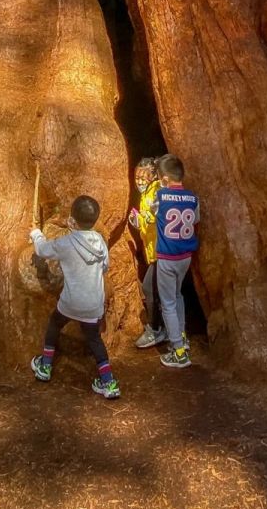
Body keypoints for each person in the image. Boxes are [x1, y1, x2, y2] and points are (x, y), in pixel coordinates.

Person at [29, 194, 121, 400]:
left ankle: (45, 366)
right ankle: (109, 382)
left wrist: (36, 234)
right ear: (95, 221)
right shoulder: (100, 242)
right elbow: (105, 267)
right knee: (95, 339)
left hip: (70, 303)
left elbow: (43, 249)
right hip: (93, 305)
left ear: (72, 220)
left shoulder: (67, 242)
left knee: (54, 324)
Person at [152, 154, 200, 369]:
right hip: (185, 258)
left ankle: (178, 352)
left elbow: (152, 214)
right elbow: (196, 219)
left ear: (164, 178)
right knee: (177, 295)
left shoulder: (161, 196)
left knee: (168, 303)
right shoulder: (193, 198)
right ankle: (182, 336)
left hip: (167, 257)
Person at [128, 156, 165, 348]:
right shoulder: (146, 194)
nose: (139, 182)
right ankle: (164, 328)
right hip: (154, 251)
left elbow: (154, 218)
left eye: (143, 178)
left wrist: (140, 220)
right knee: (158, 291)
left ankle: (156, 329)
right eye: (137, 178)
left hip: (162, 251)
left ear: (153, 176)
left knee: (150, 289)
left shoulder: (157, 190)